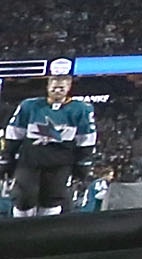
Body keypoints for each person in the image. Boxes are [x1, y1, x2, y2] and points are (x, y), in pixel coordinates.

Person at [4, 60, 97, 216]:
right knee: (23, 199)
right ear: (47, 86)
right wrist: (7, 155)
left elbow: (86, 138)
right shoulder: (29, 106)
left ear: (69, 87)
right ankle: (19, 233)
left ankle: (44, 235)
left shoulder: (81, 109)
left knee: (51, 200)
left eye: (62, 85)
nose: (57, 89)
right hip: (30, 161)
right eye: (54, 84)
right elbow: (14, 133)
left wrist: (83, 162)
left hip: (60, 163)